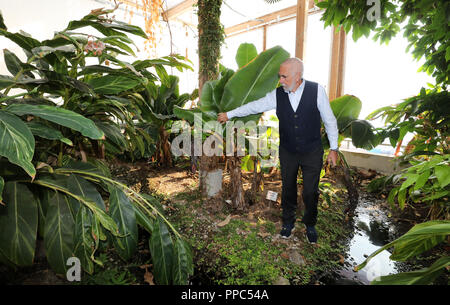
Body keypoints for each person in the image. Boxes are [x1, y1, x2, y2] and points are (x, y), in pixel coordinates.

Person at [217, 58, 339, 243]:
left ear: (298, 76)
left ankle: (310, 224)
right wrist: (230, 114)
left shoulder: (317, 91)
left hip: (312, 151)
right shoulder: (278, 94)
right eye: (279, 76)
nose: (280, 80)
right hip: (288, 151)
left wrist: (334, 148)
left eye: (284, 76)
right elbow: (255, 105)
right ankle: (288, 222)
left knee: (310, 192)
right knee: (288, 188)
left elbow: (330, 120)